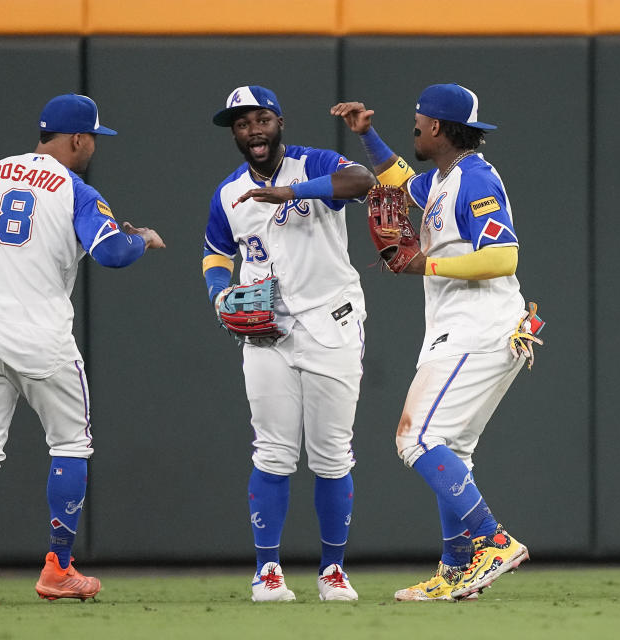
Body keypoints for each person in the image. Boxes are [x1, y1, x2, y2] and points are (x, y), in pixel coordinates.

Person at [0, 94, 165, 606]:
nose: (92, 149)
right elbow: (110, 253)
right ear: (78, 139)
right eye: (92, 140)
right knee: (69, 446)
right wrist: (142, 239)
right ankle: (58, 569)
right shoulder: (75, 189)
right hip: (41, 336)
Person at [332, 83, 540, 601]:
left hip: (481, 324)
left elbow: (504, 257)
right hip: (462, 325)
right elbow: (400, 185)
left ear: (441, 129)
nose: (416, 127)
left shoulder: (475, 179)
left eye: (420, 121)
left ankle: (493, 541)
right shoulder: (443, 178)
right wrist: (368, 137)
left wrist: (428, 262)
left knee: (415, 438)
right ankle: (455, 570)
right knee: (454, 451)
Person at [203, 85, 376, 602]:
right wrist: (219, 295)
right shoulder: (228, 193)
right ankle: (268, 571)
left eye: (260, 119)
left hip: (333, 320)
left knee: (331, 453)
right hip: (267, 331)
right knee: (273, 451)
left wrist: (293, 193)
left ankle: (332, 571)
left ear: (279, 121)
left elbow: (362, 180)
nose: (252, 131)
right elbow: (215, 252)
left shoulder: (313, 163)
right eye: (241, 124)